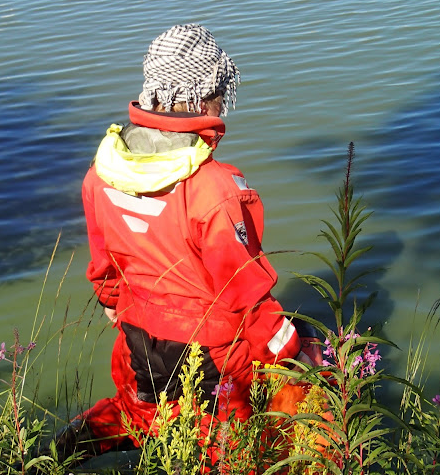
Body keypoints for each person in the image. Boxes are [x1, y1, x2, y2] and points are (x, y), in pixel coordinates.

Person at [70, 24, 314, 462]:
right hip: (213, 356)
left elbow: (105, 275)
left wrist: (119, 305)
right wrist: (296, 350)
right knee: (250, 440)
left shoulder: (102, 172)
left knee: (143, 414)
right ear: (202, 97)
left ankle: (65, 447)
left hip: (136, 343)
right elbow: (248, 298)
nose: (223, 103)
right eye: (222, 90)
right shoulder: (214, 189)